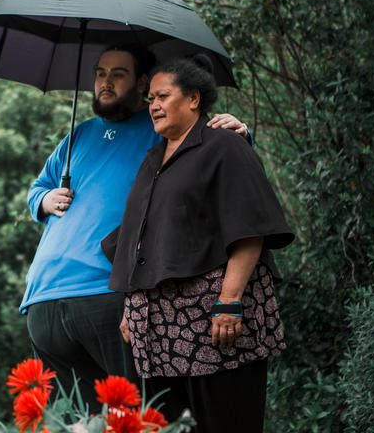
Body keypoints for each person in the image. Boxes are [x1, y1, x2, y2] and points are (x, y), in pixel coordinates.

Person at [20, 44, 251, 412]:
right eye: (100, 73)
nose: (105, 82)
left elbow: (210, 153)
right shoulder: (77, 135)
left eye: (118, 74)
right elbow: (37, 189)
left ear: (142, 82)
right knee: (80, 421)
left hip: (106, 293)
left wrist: (238, 130)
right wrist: (44, 201)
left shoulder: (159, 124)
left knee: (141, 414)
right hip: (43, 297)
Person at [101, 54, 294, 432]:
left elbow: (250, 228)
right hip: (159, 334)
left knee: (225, 422)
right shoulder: (152, 159)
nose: (153, 105)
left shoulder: (225, 145)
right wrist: (131, 302)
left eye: (163, 95)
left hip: (214, 323)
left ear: (193, 99)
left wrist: (230, 303)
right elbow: (138, 236)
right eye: (150, 98)